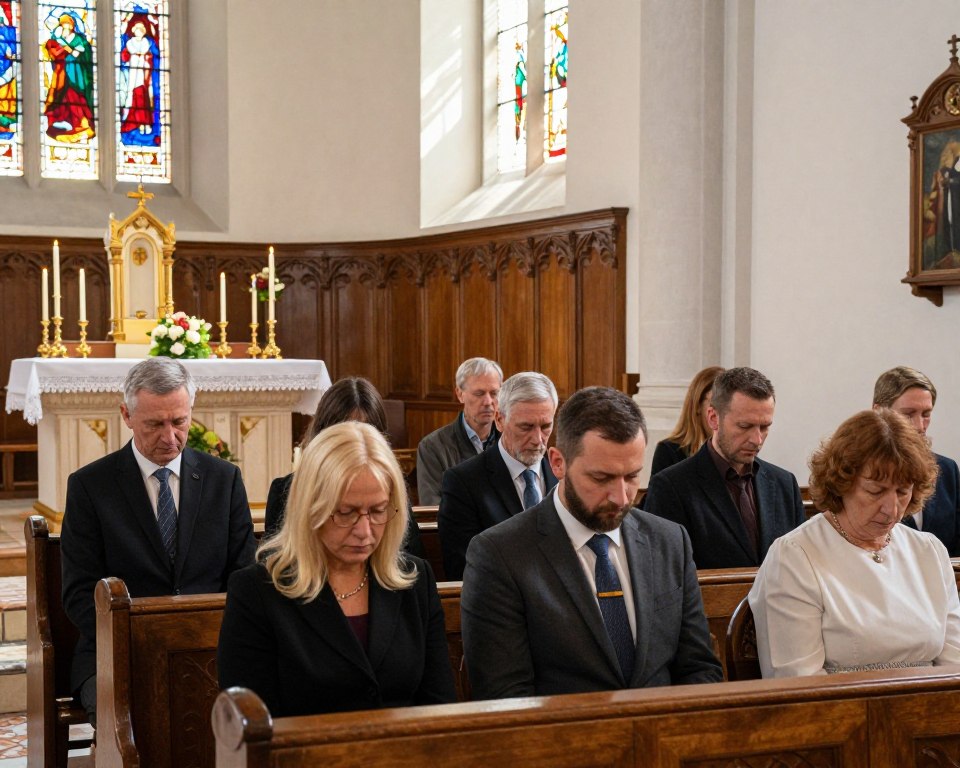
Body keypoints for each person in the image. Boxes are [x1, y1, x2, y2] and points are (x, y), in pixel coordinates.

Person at [461, 387, 721, 699]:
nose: (621, 497)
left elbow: (699, 669)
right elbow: (506, 697)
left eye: (632, 477)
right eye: (601, 479)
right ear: (558, 463)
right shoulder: (500, 554)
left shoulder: (669, 541)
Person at [61, 357, 256, 726]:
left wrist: (207, 637)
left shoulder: (223, 480)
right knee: (139, 719)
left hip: (213, 645)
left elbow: (244, 575)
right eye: (154, 424)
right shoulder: (90, 487)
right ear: (126, 415)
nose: (170, 437)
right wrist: (147, 639)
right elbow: (79, 592)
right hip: (118, 651)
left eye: (179, 422)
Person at [218, 422, 457, 716]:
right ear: (310, 507)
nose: (365, 531)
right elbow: (252, 727)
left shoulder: (415, 580)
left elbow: (439, 708)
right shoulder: (256, 591)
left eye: (378, 510)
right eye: (346, 512)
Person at [749, 409, 960, 678]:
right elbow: (798, 684)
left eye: (903, 491)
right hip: (842, 714)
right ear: (842, 481)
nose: (891, 510)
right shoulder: (796, 556)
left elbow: (954, 666)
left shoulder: (929, 551)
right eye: (876, 491)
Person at [643, 367, 805, 569]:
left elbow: (799, 566)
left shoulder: (784, 484)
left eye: (764, 427)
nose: (757, 440)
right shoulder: (671, 487)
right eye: (745, 426)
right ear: (713, 418)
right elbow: (664, 575)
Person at [263, 376, 424, 558]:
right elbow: (276, 564)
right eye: (345, 512)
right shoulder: (286, 489)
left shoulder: (391, 488)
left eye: (377, 510)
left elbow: (408, 559)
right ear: (322, 435)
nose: (355, 442)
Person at [438, 371, 559, 580]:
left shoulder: (564, 475)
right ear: (500, 420)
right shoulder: (463, 482)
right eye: (526, 427)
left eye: (546, 426)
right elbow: (464, 569)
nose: (538, 439)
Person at [872, 366, 960, 556]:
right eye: (908, 414)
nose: (920, 426)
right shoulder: (860, 471)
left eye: (926, 414)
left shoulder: (947, 469)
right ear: (878, 412)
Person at [416, 357, 503, 506]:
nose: (488, 401)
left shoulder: (509, 441)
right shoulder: (432, 446)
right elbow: (432, 507)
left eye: (494, 393)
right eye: (479, 393)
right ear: (460, 394)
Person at [650, 365, 724, 477]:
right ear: (698, 405)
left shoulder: (735, 451)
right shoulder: (669, 451)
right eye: (716, 403)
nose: (723, 414)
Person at [42, 11, 95, 141]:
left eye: (68, 24)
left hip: (76, 73)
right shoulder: (58, 39)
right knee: (62, 98)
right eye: (63, 24)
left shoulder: (79, 39)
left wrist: (69, 49)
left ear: (72, 26)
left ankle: (82, 122)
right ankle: (66, 122)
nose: (65, 27)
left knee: (76, 97)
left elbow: (81, 53)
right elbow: (54, 52)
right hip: (62, 73)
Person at [118, 14, 162, 144]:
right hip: (133, 74)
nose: (140, 31)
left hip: (144, 75)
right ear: (133, 31)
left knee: (144, 99)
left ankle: (145, 124)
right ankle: (135, 123)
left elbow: (152, 54)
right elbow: (124, 56)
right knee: (132, 97)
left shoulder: (146, 43)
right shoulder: (130, 43)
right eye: (137, 29)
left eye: (142, 29)